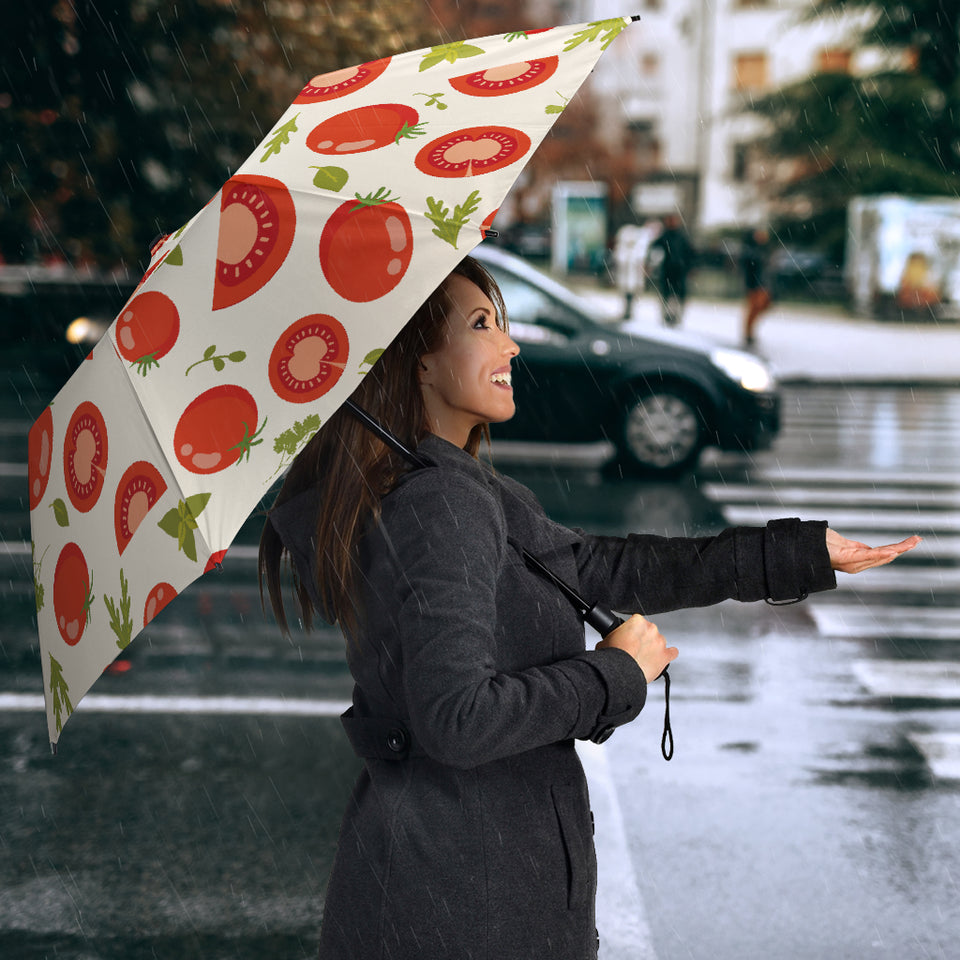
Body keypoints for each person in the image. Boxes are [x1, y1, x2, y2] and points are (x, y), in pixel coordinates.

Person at [258, 256, 919, 960]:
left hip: (453, 883)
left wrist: (796, 554)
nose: (510, 345)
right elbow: (456, 719)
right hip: (466, 902)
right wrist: (614, 673)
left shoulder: (449, 488)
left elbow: (603, 567)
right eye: (482, 325)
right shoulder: (440, 504)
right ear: (417, 362)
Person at [648, 213, 695, 327]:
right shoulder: (665, 236)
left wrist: (690, 267)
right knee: (667, 294)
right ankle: (667, 315)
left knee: (677, 295)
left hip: (679, 271)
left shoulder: (681, 237)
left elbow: (690, 253)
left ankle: (675, 316)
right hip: (668, 270)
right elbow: (654, 249)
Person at [741, 226, 773, 347]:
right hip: (755, 284)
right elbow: (750, 265)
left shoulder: (763, 249)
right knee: (754, 308)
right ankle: (748, 333)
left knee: (762, 306)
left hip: (763, 283)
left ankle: (750, 331)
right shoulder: (751, 250)